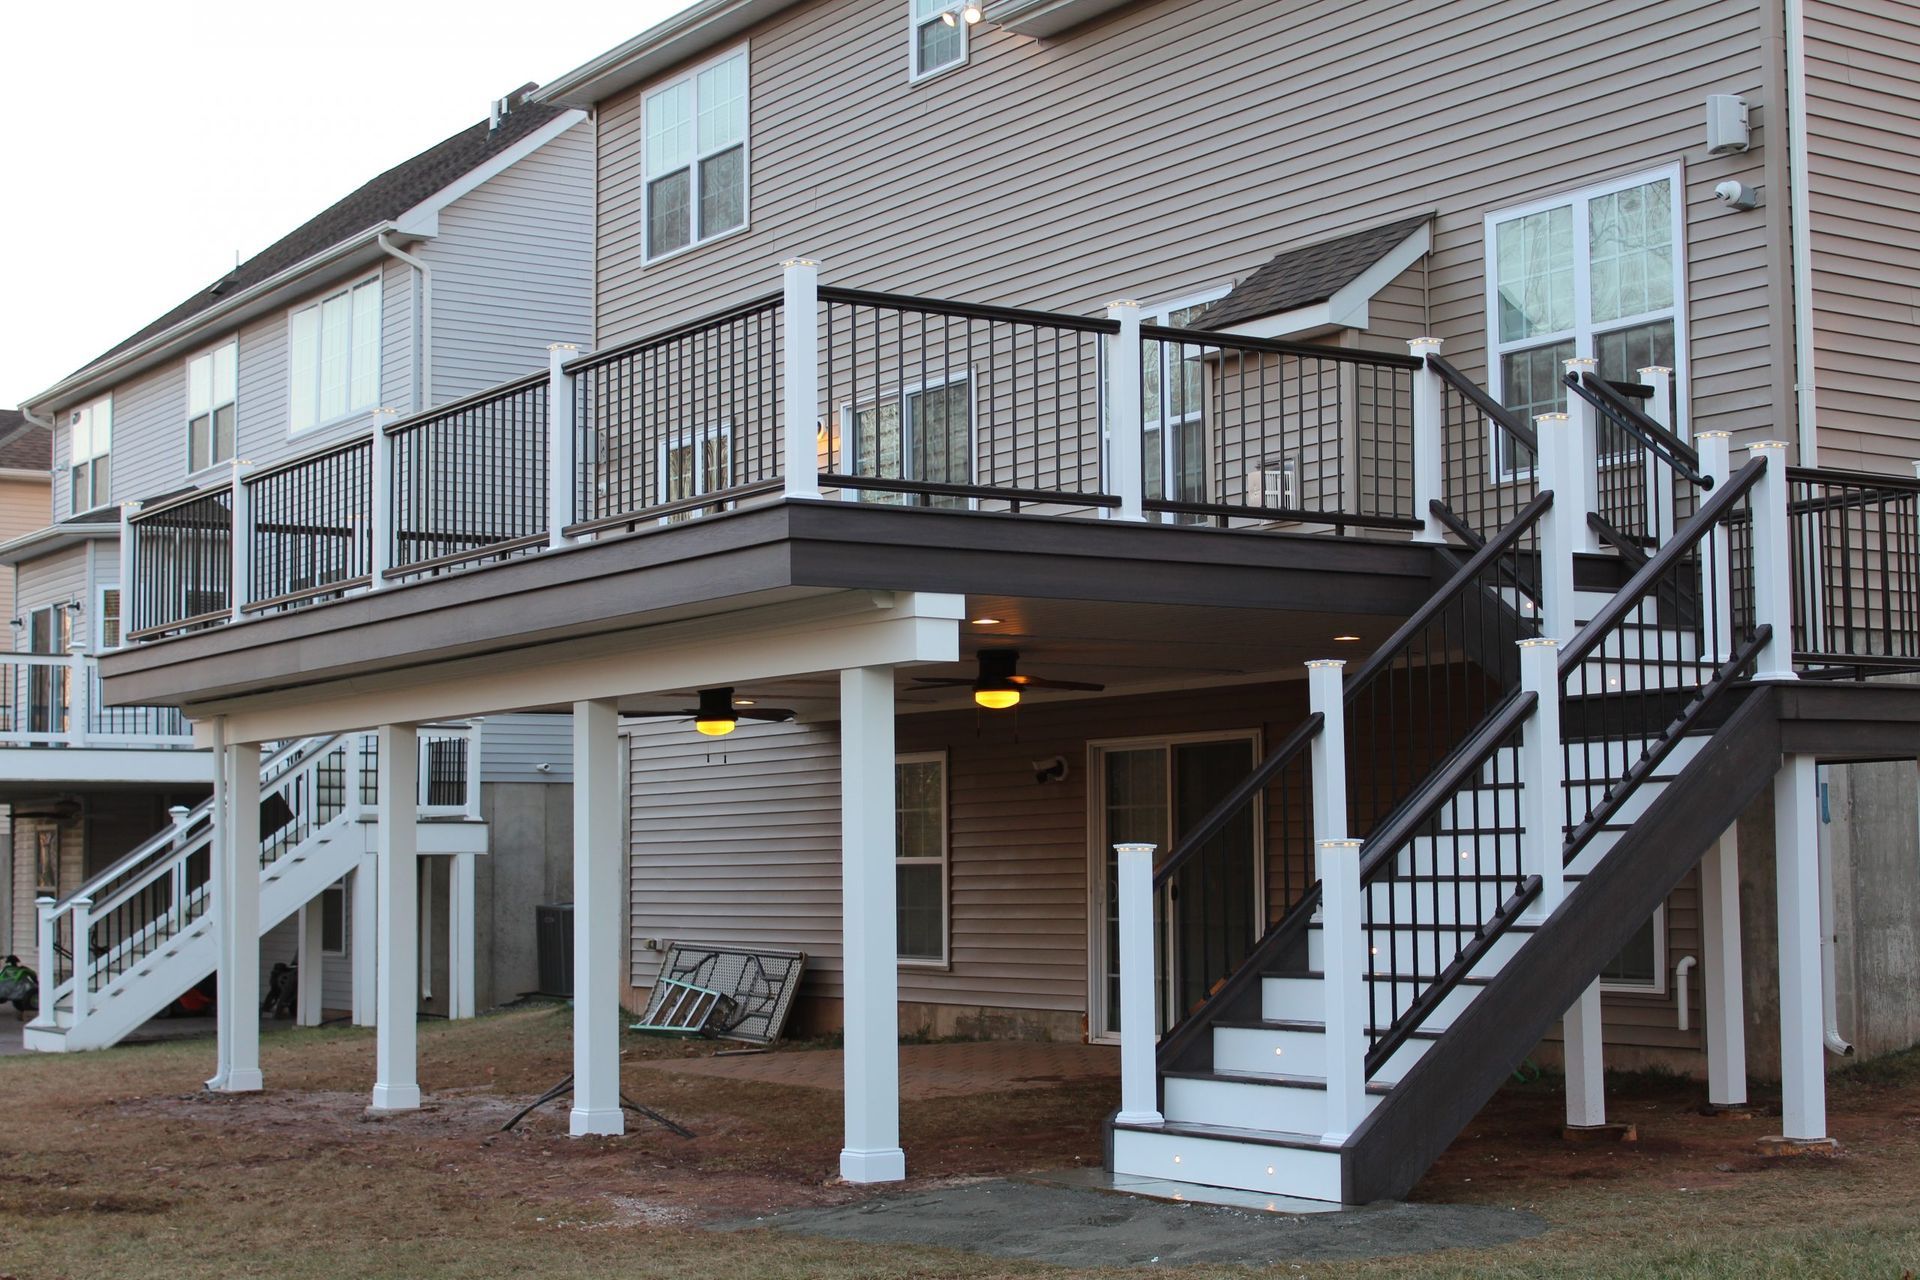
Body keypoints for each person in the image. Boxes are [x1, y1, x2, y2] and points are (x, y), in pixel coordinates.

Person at [0, 955, 37, 1020]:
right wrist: (36, 982)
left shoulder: (7, 969)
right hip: (11, 987)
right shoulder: (22, 969)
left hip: (6, 987)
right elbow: (33, 975)